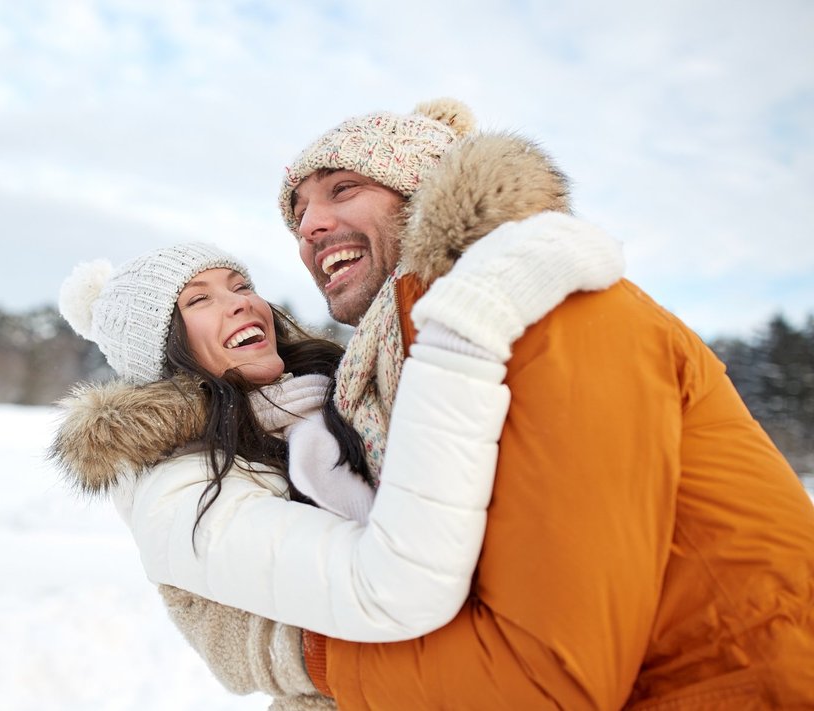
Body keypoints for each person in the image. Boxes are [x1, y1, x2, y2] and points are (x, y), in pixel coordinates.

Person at [260, 98, 814, 709]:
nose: (309, 226)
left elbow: (547, 678)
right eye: (298, 212)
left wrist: (312, 659)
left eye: (342, 189)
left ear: (421, 192)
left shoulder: (549, 310)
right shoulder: (406, 369)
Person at [51, 227, 622, 707]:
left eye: (241, 285)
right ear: (164, 351)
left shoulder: (338, 397)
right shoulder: (178, 488)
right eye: (199, 300)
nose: (242, 303)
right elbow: (382, 584)